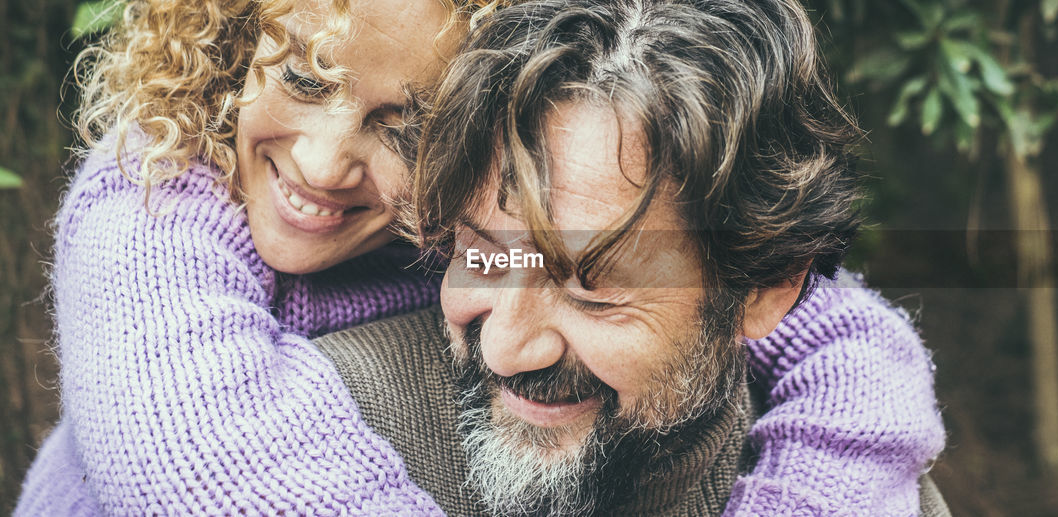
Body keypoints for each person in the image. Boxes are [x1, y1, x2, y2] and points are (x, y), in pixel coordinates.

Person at [16, 0, 943, 514]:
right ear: (225, 40)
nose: (325, 160)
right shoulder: (157, 195)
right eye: (303, 78)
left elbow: (842, 334)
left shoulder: (479, 206)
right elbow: (197, 460)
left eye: (408, 126)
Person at [314, 0, 947, 515]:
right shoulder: (326, 426)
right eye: (479, 254)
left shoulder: (879, 495)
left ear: (763, 292)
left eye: (591, 290)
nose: (505, 349)